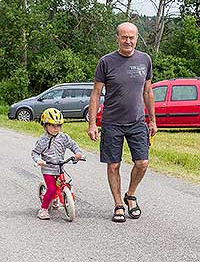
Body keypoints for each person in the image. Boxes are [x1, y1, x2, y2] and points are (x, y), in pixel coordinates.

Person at [88, 22, 157, 223]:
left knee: (142, 163)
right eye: (124, 37)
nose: (128, 41)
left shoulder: (145, 59)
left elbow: (148, 92)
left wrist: (152, 120)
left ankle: (130, 195)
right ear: (117, 38)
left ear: (137, 38)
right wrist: (92, 123)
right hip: (111, 123)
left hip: (137, 121)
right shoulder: (106, 62)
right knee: (113, 166)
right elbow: (96, 93)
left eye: (132, 37)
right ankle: (118, 204)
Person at [31, 108, 83, 220]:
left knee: (63, 184)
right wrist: (38, 160)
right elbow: (35, 153)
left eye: (59, 125)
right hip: (48, 168)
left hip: (60, 167)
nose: (56, 128)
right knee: (52, 188)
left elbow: (73, 145)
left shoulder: (63, 137)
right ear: (45, 125)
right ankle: (43, 210)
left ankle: (60, 198)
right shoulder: (43, 140)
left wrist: (78, 153)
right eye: (53, 126)